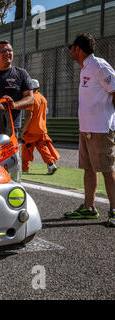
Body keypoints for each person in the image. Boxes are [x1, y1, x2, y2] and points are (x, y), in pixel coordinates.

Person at [64, 33, 115, 227]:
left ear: (78, 49)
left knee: (107, 170)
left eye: (72, 48)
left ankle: (114, 210)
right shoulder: (86, 67)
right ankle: (89, 207)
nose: (71, 51)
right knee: (88, 169)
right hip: (86, 128)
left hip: (101, 128)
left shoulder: (99, 66)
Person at [21, 79, 60, 175]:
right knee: (43, 148)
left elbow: (29, 115)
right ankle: (51, 164)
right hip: (42, 129)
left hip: (32, 130)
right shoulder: (43, 99)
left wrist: (23, 130)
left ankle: (25, 169)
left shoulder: (31, 98)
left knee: (26, 148)